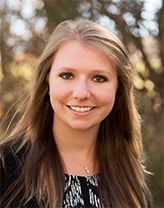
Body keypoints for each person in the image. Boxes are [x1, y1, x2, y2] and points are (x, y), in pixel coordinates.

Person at [0, 19, 152, 208]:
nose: (81, 93)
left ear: (118, 89)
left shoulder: (132, 178)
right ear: (47, 81)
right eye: (67, 75)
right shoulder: (6, 167)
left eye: (99, 78)